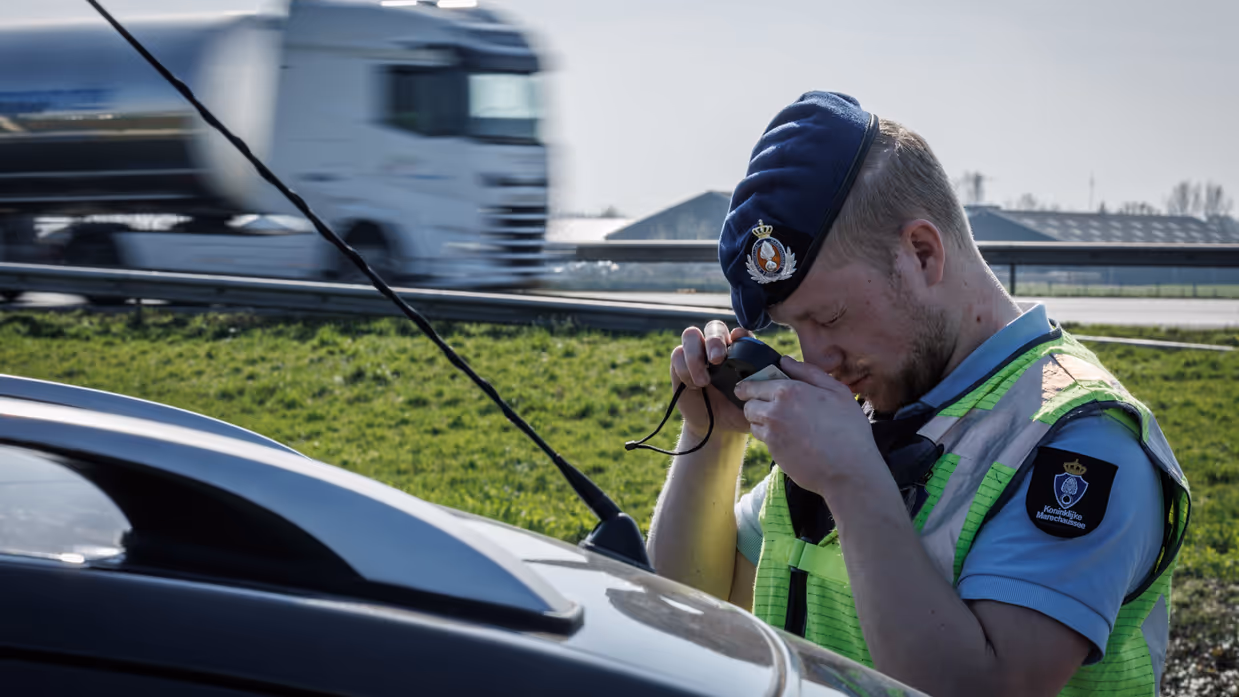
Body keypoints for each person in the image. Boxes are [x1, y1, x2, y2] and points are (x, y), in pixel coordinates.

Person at [645, 92, 1190, 697]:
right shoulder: (862, 409)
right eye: (794, 329)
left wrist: (852, 482)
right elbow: (689, 619)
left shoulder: (1082, 441)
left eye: (830, 317)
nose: (816, 358)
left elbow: (983, 689)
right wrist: (711, 437)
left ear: (922, 253)